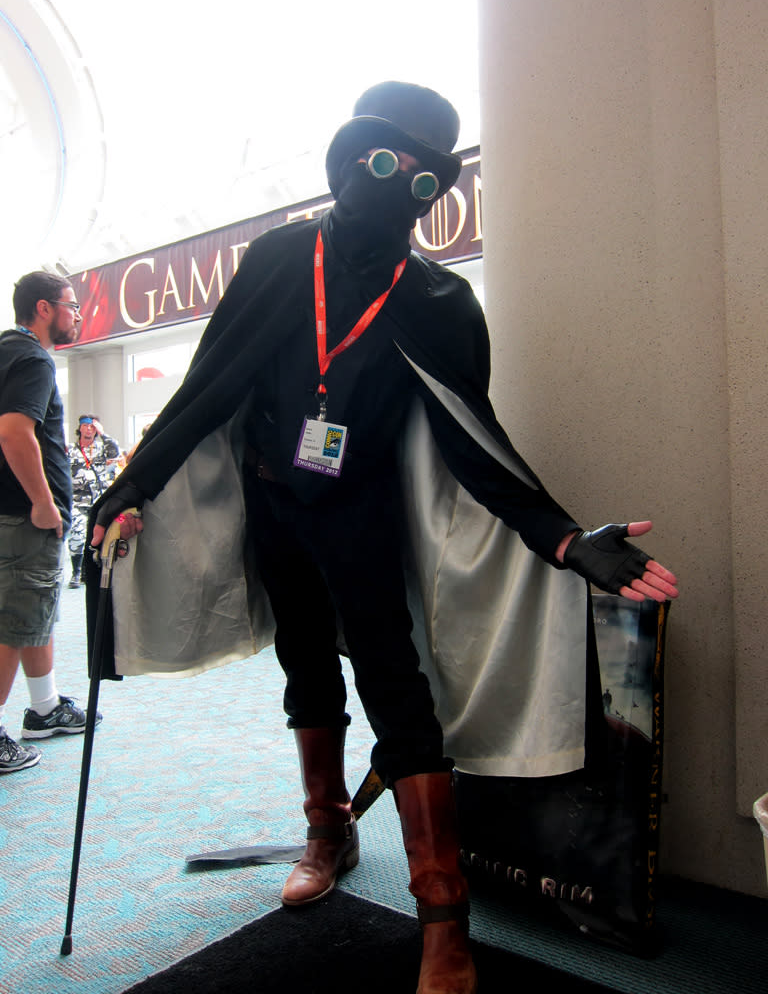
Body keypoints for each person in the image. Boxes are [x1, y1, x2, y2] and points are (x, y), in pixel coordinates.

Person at [89, 82, 679, 994]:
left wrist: (561, 539)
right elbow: (205, 387)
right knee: (305, 669)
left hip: (358, 510)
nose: (394, 176)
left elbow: (474, 439)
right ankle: (328, 829)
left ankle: (443, 912)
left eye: (418, 169)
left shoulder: (439, 300)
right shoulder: (284, 258)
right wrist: (128, 489)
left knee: (397, 687)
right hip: (274, 502)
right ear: (346, 158)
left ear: (435, 187)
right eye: (378, 155)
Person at [0, 272, 100, 774]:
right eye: (71, 305)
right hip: (22, 516)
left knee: (31, 611)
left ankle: (44, 708)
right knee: (13, 624)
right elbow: (15, 433)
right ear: (43, 308)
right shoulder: (33, 358)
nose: (78, 314)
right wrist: (42, 501)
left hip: (10, 516)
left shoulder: (5, 351)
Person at [67, 414, 120, 587]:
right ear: (80, 428)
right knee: (77, 535)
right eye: (86, 425)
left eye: (92, 426)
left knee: (99, 536)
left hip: (99, 500)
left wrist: (103, 433)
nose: (89, 429)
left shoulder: (101, 448)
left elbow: (115, 451)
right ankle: (76, 572)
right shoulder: (71, 450)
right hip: (77, 501)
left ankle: (92, 570)